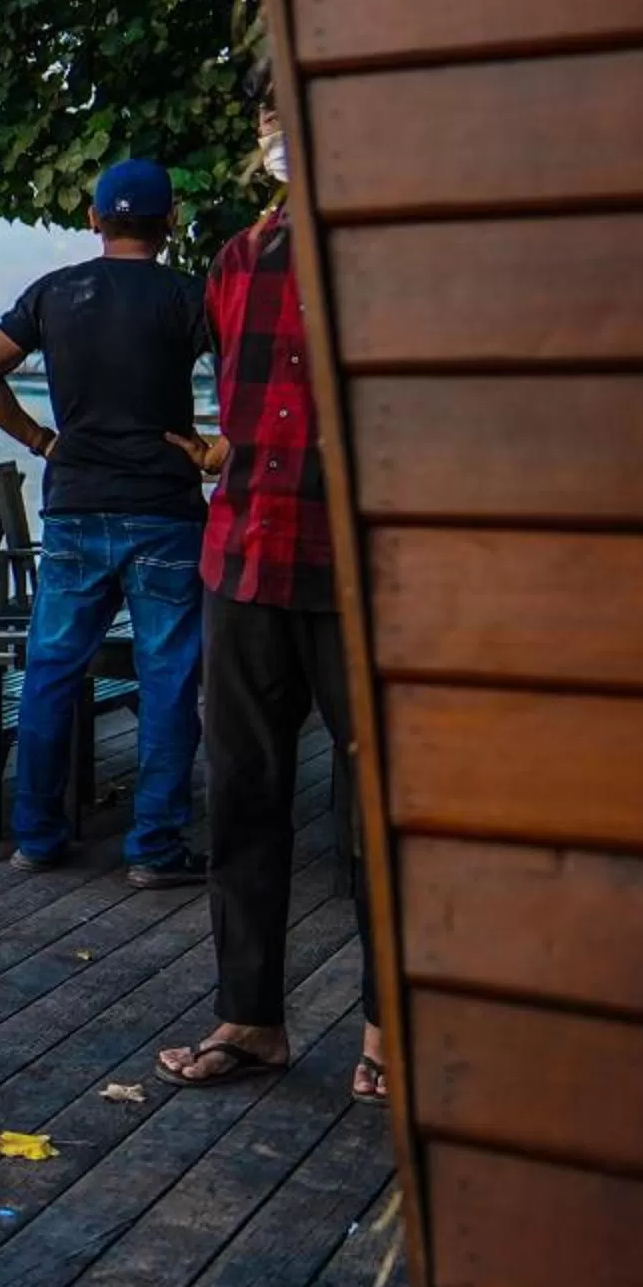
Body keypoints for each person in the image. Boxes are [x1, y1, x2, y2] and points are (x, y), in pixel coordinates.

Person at [155, 72, 387, 1103]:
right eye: (267, 118)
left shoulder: (391, 247)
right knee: (243, 793)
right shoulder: (237, 257)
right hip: (244, 555)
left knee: (379, 803)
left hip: (360, 566)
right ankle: (251, 1018)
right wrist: (212, 450)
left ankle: (391, 1025)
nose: (281, 133)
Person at [0, 158, 210, 889]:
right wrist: (217, 449)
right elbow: (253, 371)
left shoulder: (54, 293)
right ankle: (155, 847)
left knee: (51, 674)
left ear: (95, 219)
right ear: (170, 222)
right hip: (165, 510)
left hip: (74, 506)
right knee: (168, 680)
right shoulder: (188, 297)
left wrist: (41, 440)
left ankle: (37, 836)